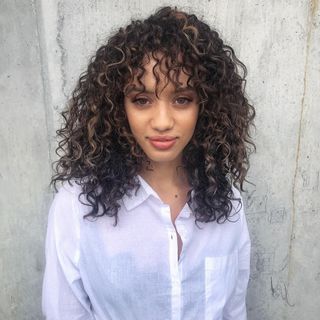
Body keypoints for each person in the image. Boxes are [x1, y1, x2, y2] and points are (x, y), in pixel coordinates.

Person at [42, 6, 255, 320]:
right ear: (118, 106)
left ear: (205, 106)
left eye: (182, 99)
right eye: (142, 100)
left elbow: (233, 311)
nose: (162, 121)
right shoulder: (75, 208)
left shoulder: (228, 203)